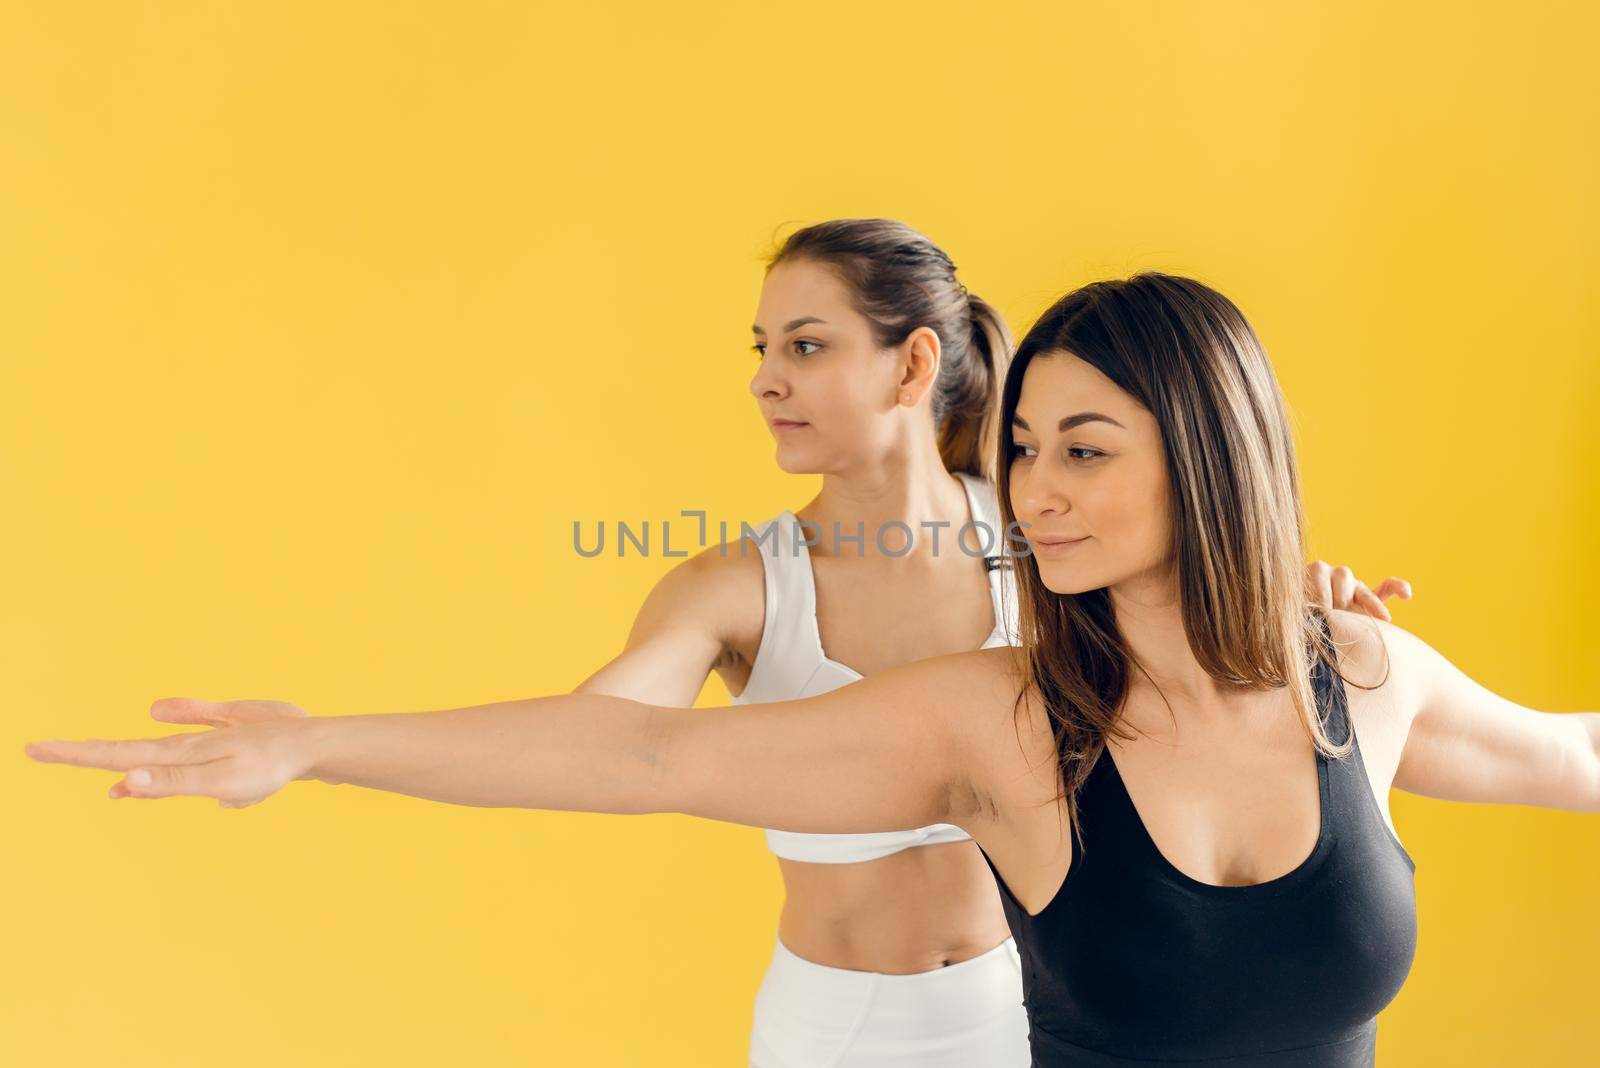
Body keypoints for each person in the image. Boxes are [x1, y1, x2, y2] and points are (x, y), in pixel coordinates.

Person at [32, 272, 1563, 1068]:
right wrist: (314, 745)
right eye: (1023, 447)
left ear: (1217, 458)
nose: (1035, 490)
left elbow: (1573, 757)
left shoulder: (1357, 674)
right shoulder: (1008, 722)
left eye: (1086, 451)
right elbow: (643, 759)